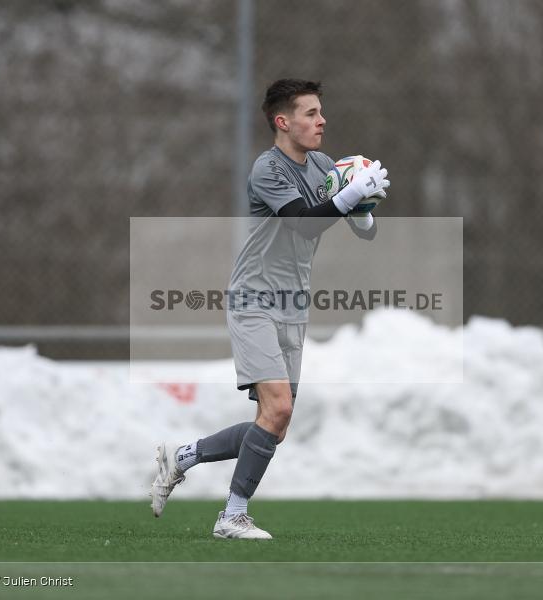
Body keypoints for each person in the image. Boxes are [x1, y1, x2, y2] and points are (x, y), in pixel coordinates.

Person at [149, 79, 390, 538]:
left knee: (272, 422)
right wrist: (349, 196)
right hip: (254, 300)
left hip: (294, 306)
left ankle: (181, 457)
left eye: (321, 112)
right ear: (284, 122)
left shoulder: (321, 164)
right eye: (311, 113)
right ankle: (231, 516)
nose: (322, 122)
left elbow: (364, 231)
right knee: (278, 410)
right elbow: (301, 224)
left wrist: (363, 206)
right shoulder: (267, 169)